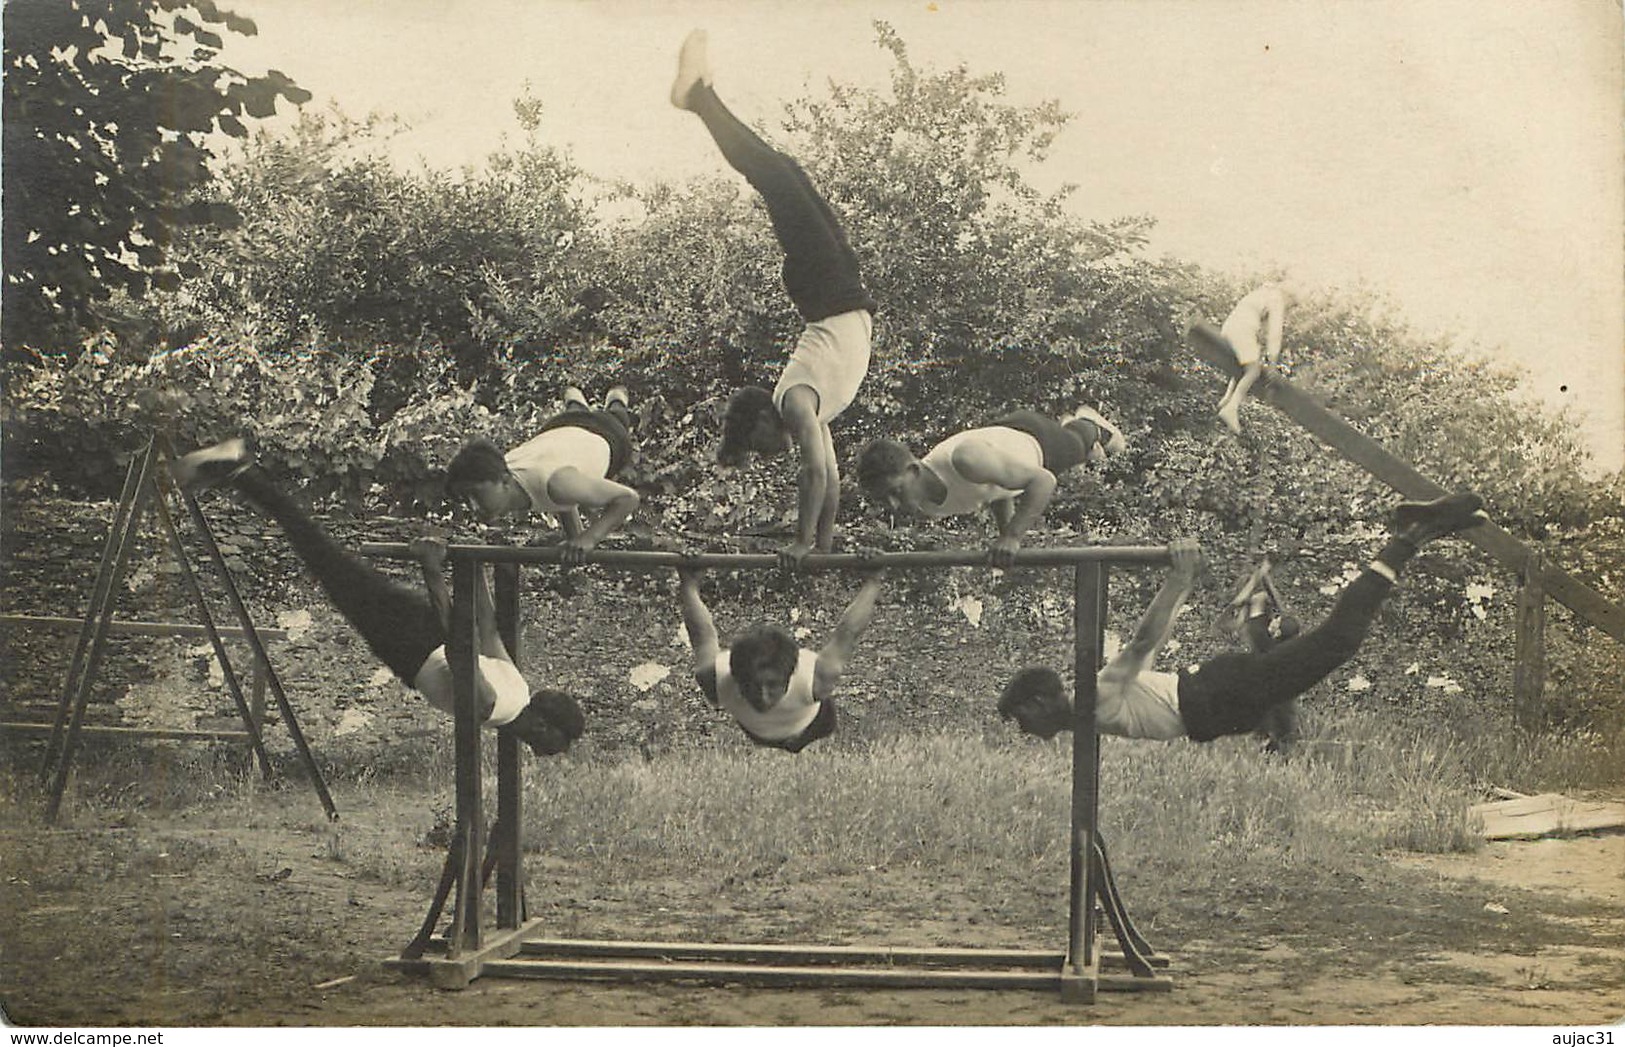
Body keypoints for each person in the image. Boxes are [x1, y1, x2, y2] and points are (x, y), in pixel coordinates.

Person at [170, 437, 586, 756]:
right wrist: (433, 569)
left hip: (418, 633)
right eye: (557, 743)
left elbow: (487, 627)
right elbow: (460, 648)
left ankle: (238, 475)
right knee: (321, 556)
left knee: (323, 557)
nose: (555, 753)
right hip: (409, 642)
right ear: (544, 728)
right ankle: (238, 469)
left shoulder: (518, 687)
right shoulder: (492, 708)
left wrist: (472, 567)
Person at [997, 492, 1487, 742]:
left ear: (1042, 701)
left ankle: (1408, 538)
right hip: (1226, 701)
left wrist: (1179, 580)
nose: (1024, 731)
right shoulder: (1080, 718)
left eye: (1022, 719)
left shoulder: (1095, 692)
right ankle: (1419, 534)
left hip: (1221, 691)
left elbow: (1144, 643)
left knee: (1338, 642)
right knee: (1313, 652)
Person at [671, 29, 879, 568]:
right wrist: (825, 546)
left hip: (827, 289)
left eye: (758, 445)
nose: (768, 453)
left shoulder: (793, 401)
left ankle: (697, 98)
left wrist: (802, 543)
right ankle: (702, 95)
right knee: (784, 172)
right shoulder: (813, 410)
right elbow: (828, 479)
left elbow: (811, 473)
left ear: (764, 421)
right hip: (841, 290)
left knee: (776, 178)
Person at [854, 405, 1127, 567]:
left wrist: (1013, 537)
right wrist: (1004, 536)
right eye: (883, 499)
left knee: (1081, 445)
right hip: (1003, 447)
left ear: (913, 470)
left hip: (1036, 440)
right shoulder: (921, 502)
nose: (892, 505)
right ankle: (1084, 437)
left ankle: (1089, 425)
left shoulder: (965, 459)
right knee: (1082, 455)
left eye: (895, 492)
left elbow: (1043, 481)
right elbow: (994, 491)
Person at [675, 565, 884, 752]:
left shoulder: (817, 678)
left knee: (822, 685)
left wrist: (873, 582)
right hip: (757, 732)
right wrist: (688, 584)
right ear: (735, 677)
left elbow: (848, 633)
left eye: (773, 685)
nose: (763, 698)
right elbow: (701, 636)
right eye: (750, 686)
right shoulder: (713, 678)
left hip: (815, 725)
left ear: (791, 675)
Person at [444, 385, 640, 564]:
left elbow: (627, 498)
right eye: (465, 499)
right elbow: (561, 500)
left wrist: (589, 538)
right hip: (558, 428)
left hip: (606, 434)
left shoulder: (558, 483)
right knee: (576, 413)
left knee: (618, 416)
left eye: (476, 494)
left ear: (504, 481)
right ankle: (574, 399)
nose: (473, 506)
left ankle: (615, 397)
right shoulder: (503, 467)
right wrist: (575, 539)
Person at [1214, 281, 1293, 434]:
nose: (1289, 308)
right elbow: (1275, 335)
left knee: (1245, 365)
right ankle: (1231, 407)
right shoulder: (1278, 299)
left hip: (1230, 327)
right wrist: (1272, 365)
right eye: (1292, 304)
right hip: (1242, 329)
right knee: (1253, 371)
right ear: (1289, 296)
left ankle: (1227, 398)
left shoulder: (1263, 292)